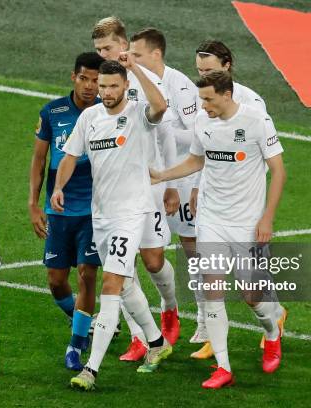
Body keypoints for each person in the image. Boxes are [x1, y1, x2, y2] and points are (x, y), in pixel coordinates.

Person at [150, 70, 287, 388]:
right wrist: (163, 175)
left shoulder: (256, 121)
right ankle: (223, 367)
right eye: (201, 99)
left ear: (227, 95)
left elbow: (278, 171)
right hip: (211, 219)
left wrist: (267, 218)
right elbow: (196, 161)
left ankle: (271, 332)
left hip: (246, 222)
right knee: (213, 292)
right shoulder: (203, 121)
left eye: (209, 98)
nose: (204, 105)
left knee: (251, 295)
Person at [52, 57, 172, 391]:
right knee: (128, 283)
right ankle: (158, 343)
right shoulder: (89, 117)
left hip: (131, 213)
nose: (105, 92)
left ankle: (91, 369)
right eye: (102, 86)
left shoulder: (137, 114)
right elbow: (70, 156)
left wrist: (133, 66)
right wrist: (59, 187)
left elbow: (160, 105)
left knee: (111, 285)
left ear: (125, 87)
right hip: (101, 214)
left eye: (112, 86)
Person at [92, 16, 180, 361]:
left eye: (108, 47)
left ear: (124, 45)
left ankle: (170, 308)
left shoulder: (148, 82)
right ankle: (138, 336)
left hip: (152, 186)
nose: (103, 54)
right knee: (121, 266)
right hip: (119, 192)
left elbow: (166, 134)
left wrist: (171, 182)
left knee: (153, 259)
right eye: (99, 49)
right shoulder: (107, 83)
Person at [189, 39, 277, 359]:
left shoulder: (253, 104)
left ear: (227, 66)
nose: (203, 75)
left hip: (246, 206)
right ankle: (216, 341)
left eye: (209, 70)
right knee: (210, 276)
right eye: (199, 71)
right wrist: (198, 186)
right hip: (214, 206)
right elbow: (205, 150)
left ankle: (274, 317)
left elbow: (263, 160)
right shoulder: (204, 102)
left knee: (251, 283)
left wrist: (257, 207)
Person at [28, 52, 105, 371]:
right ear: (73, 77)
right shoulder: (52, 112)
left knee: (87, 274)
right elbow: (38, 160)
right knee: (56, 280)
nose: (90, 86)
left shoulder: (108, 112)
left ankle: (76, 345)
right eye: (84, 78)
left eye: (96, 81)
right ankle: (84, 323)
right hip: (59, 210)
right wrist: (33, 204)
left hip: (94, 210)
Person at [130, 27, 202, 354]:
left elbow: (199, 135)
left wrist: (164, 129)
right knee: (152, 253)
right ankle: (166, 313)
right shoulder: (138, 85)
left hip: (181, 181)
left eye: (139, 55)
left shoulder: (182, 86)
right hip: (152, 184)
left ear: (156, 54)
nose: (133, 60)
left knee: (191, 249)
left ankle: (202, 318)